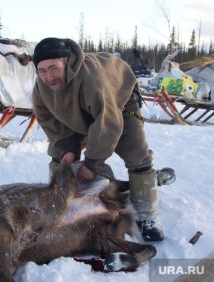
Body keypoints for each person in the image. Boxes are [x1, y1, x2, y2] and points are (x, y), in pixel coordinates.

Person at [31, 37, 176, 242]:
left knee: (137, 156)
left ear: (66, 61)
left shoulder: (91, 78)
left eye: (53, 68)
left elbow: (108, 122)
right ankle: (60, 209)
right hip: (79, 111)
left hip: (119, 103)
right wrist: (68, 148)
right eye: (42, 70)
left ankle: (146, 217)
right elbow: (47, 118)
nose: (48, 76)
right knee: (59, 156)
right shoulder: (41, 86)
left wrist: (91, 163)